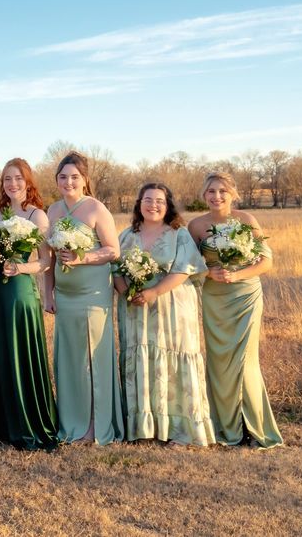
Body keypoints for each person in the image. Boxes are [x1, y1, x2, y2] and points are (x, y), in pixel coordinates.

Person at [187, 173, 282, 449]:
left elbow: (266, 262)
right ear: (204, 195)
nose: (217, 196)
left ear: (233, 194)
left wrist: (237, 276)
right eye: (211, 191)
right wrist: (209, 272)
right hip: (215, 300)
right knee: (219, 364)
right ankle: (226, 427)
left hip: (245, 296)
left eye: (222, 191)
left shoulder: (246, 221)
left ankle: (255, 428)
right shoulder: (196, 226)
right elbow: (189, 268)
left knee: (246, 361)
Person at [116, 183, 215, 447]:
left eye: (159, 200)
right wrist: (126, 291)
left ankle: (181, 429)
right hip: (136, 310)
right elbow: (115, 269)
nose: (153, 205)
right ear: (139, 204)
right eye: (148, 200)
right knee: (142, 360)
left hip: (171, 306)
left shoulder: (178, 234)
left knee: (171, 361)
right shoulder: (126, 235)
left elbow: (185, 269)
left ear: (168, 205)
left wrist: (155, 292)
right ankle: (145, 428)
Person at [44, 151, 123, 445]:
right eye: (63, 177)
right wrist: (48, 292)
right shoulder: (52, 211)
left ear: (84, 179)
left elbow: (113, 250)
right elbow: (49, 257)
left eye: (74, 177)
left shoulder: (96, 209)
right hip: (64, 296)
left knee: (92, 359)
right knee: (69, 361)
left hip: (92, 295)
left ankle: (94, 426)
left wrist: (83, 257)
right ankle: (71, 422)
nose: (68, 182)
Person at [0, 158, 59, 450]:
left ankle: (29, 425)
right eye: (6, 179)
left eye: (17, 178)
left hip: (20, 291)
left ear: (28, 182)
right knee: (1, 355)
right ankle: (5, 426)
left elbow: (45, 261)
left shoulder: (37, 216)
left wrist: (20, 269)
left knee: (22, 356)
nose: (12, 184)